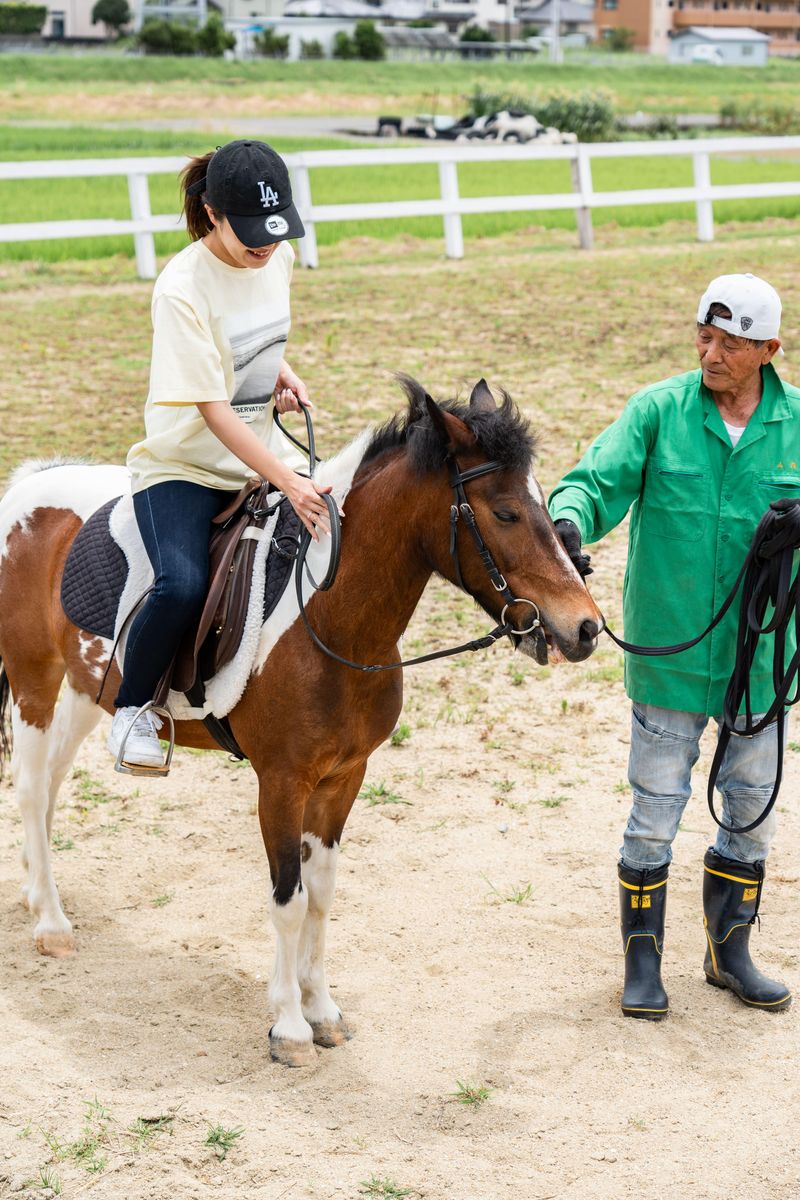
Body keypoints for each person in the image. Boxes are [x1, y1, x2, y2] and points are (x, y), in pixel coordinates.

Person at [549, 273, 799, 1019]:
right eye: (704, 335)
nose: (710, 353)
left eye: (730, 344)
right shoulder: (657, 411)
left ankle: (731, 954)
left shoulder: (796, 423)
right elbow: (592, 483)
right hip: (670, 655)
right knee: (655, 809)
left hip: (762, 662)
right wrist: (567, 526)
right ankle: (643, 963)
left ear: (769, 349)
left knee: (750, 808)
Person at [108, 139, 332, 770]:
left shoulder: (278, 258)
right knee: (181, 586)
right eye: (252, 232)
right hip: (184, 467)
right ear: (212, 212)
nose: (267, 246)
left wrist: (278, 370)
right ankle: (131, 710)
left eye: (275, 228)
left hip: (257, 452)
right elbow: (213, 409)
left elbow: (245, 341)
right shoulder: (180, 288)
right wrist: (290, 480)